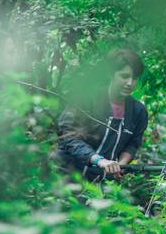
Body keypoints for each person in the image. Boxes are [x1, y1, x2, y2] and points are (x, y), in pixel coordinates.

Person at [55, 48, 149, 181]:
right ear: (111, 74)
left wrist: (121, 164)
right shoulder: (86, 99)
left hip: (100, 183)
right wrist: (100, 161)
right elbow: (68, 137)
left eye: (134, 78)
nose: (130, 83)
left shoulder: (138, 111)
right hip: (65, 176)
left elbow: (133, 144)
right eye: (124, 76)